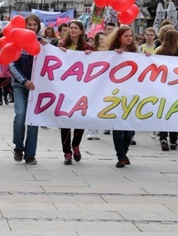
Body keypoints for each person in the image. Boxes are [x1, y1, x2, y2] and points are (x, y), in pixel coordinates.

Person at [102, 24, 140, 168]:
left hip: (132, 94)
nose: (129, 38)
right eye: (126, 36)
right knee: (118, 126)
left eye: (131, 35)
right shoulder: (112, 53)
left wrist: (147, 57)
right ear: (119, 38)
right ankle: (121, 155)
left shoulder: (137, 52)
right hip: (116, 94)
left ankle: (124, 151)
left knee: (129, 129)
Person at [57, 20, 94, 164]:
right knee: (64, 119)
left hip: (81, 88)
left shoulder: (87, 47)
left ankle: (76, 144)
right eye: (70, 28)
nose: (72, 30)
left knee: (80, 117)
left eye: (75, 28)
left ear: (81, 31)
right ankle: (66, 152)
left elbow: (95, 64)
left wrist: (89, 55)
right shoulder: (61, 45)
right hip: (65, 87)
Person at [10, 14, 42, 165]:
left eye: (35, 25)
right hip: (20, 85)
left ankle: (30, 154)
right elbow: (12, 65)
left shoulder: (43, 43)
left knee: (34, 120)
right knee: (21, 115)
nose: (32, 27)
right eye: (29, 25)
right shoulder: (17, 42)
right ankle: (18, 147)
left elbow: (55, 56)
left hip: (37, 87)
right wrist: (24, 80)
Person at [154, 29, 178, 151]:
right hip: (177, 86)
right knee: (174, 113)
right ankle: (173, 140)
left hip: (162, 85)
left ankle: (163, 137)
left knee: (163, 112)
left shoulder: (159, 50)